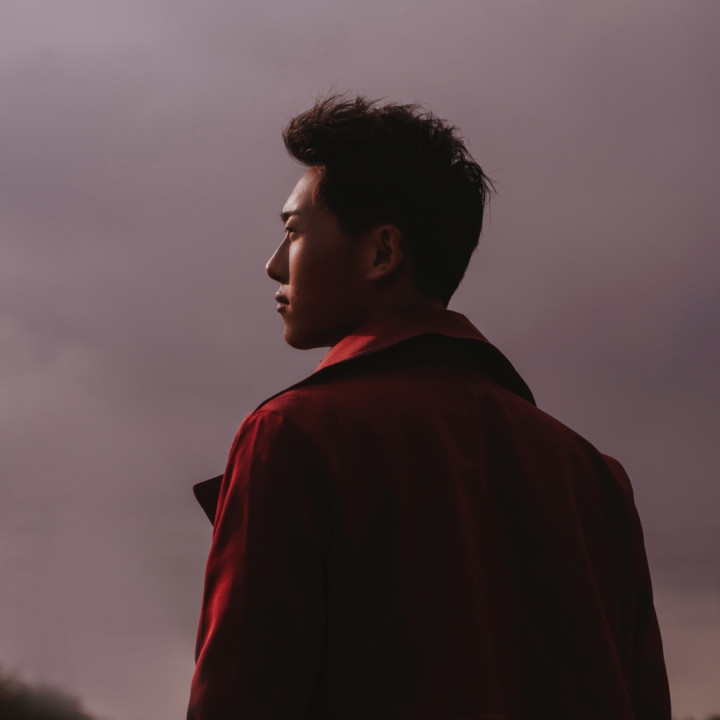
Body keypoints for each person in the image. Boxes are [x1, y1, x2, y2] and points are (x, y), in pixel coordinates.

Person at [187, 95, 670, 719]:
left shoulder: (290, 434)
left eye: (294, 231)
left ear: (382, 253)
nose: (274, 265)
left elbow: (240, 697)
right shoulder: (595, 478)